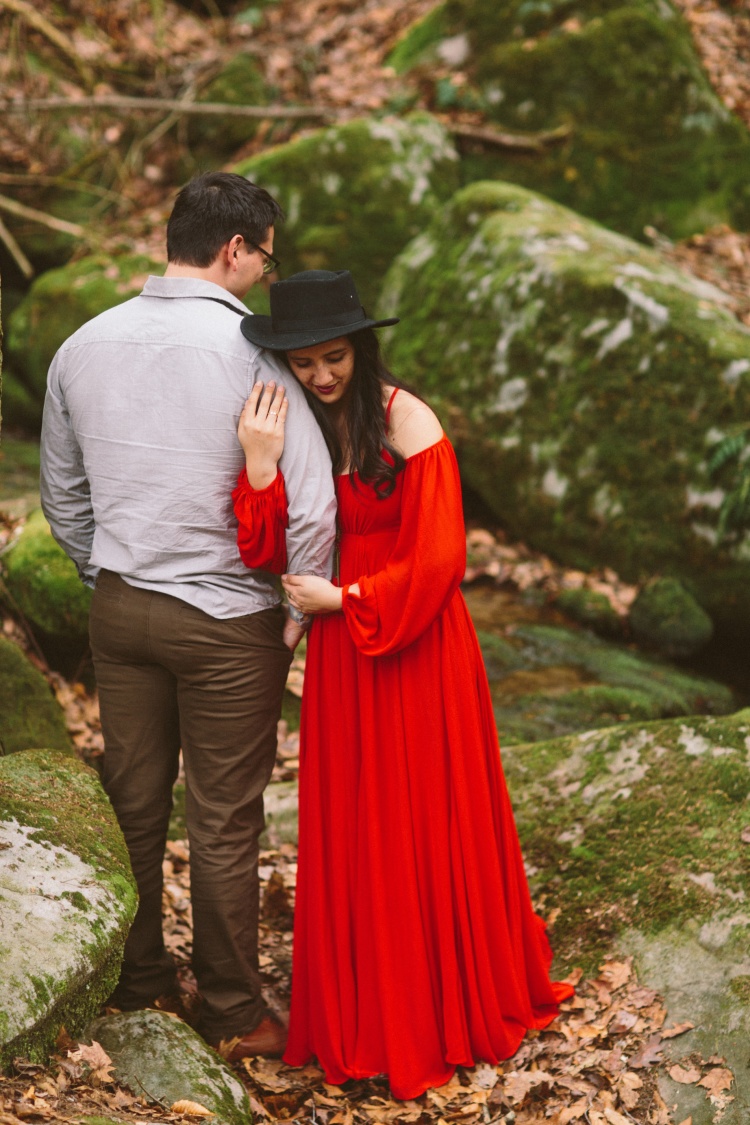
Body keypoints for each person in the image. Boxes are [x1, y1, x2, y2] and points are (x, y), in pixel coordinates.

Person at [232, 269, 574, 1099]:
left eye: (335, 357)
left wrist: (346, 597)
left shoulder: (406, 418)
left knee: (424, 818)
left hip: (412, 640)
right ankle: (369, 1013)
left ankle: (442, 1004)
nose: (320, 375)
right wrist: (261, 464)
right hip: (347, 656)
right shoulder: (292, 422)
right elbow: (265, 549)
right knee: (359, 824)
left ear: (362, 347)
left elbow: (442, 559)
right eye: (305, 361)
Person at [40, 174, 336, 1060]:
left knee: (132, 803)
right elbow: (314, 508)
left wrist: (109, 571)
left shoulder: (80, 344)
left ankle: (137, 985)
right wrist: (294, 615)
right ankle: (235, 1011)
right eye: (266, 255)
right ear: (236, 249)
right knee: (222, 817)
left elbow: (62, 495)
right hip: (231, 620)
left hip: (124, 611)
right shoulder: (255, 354)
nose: (264, 273)